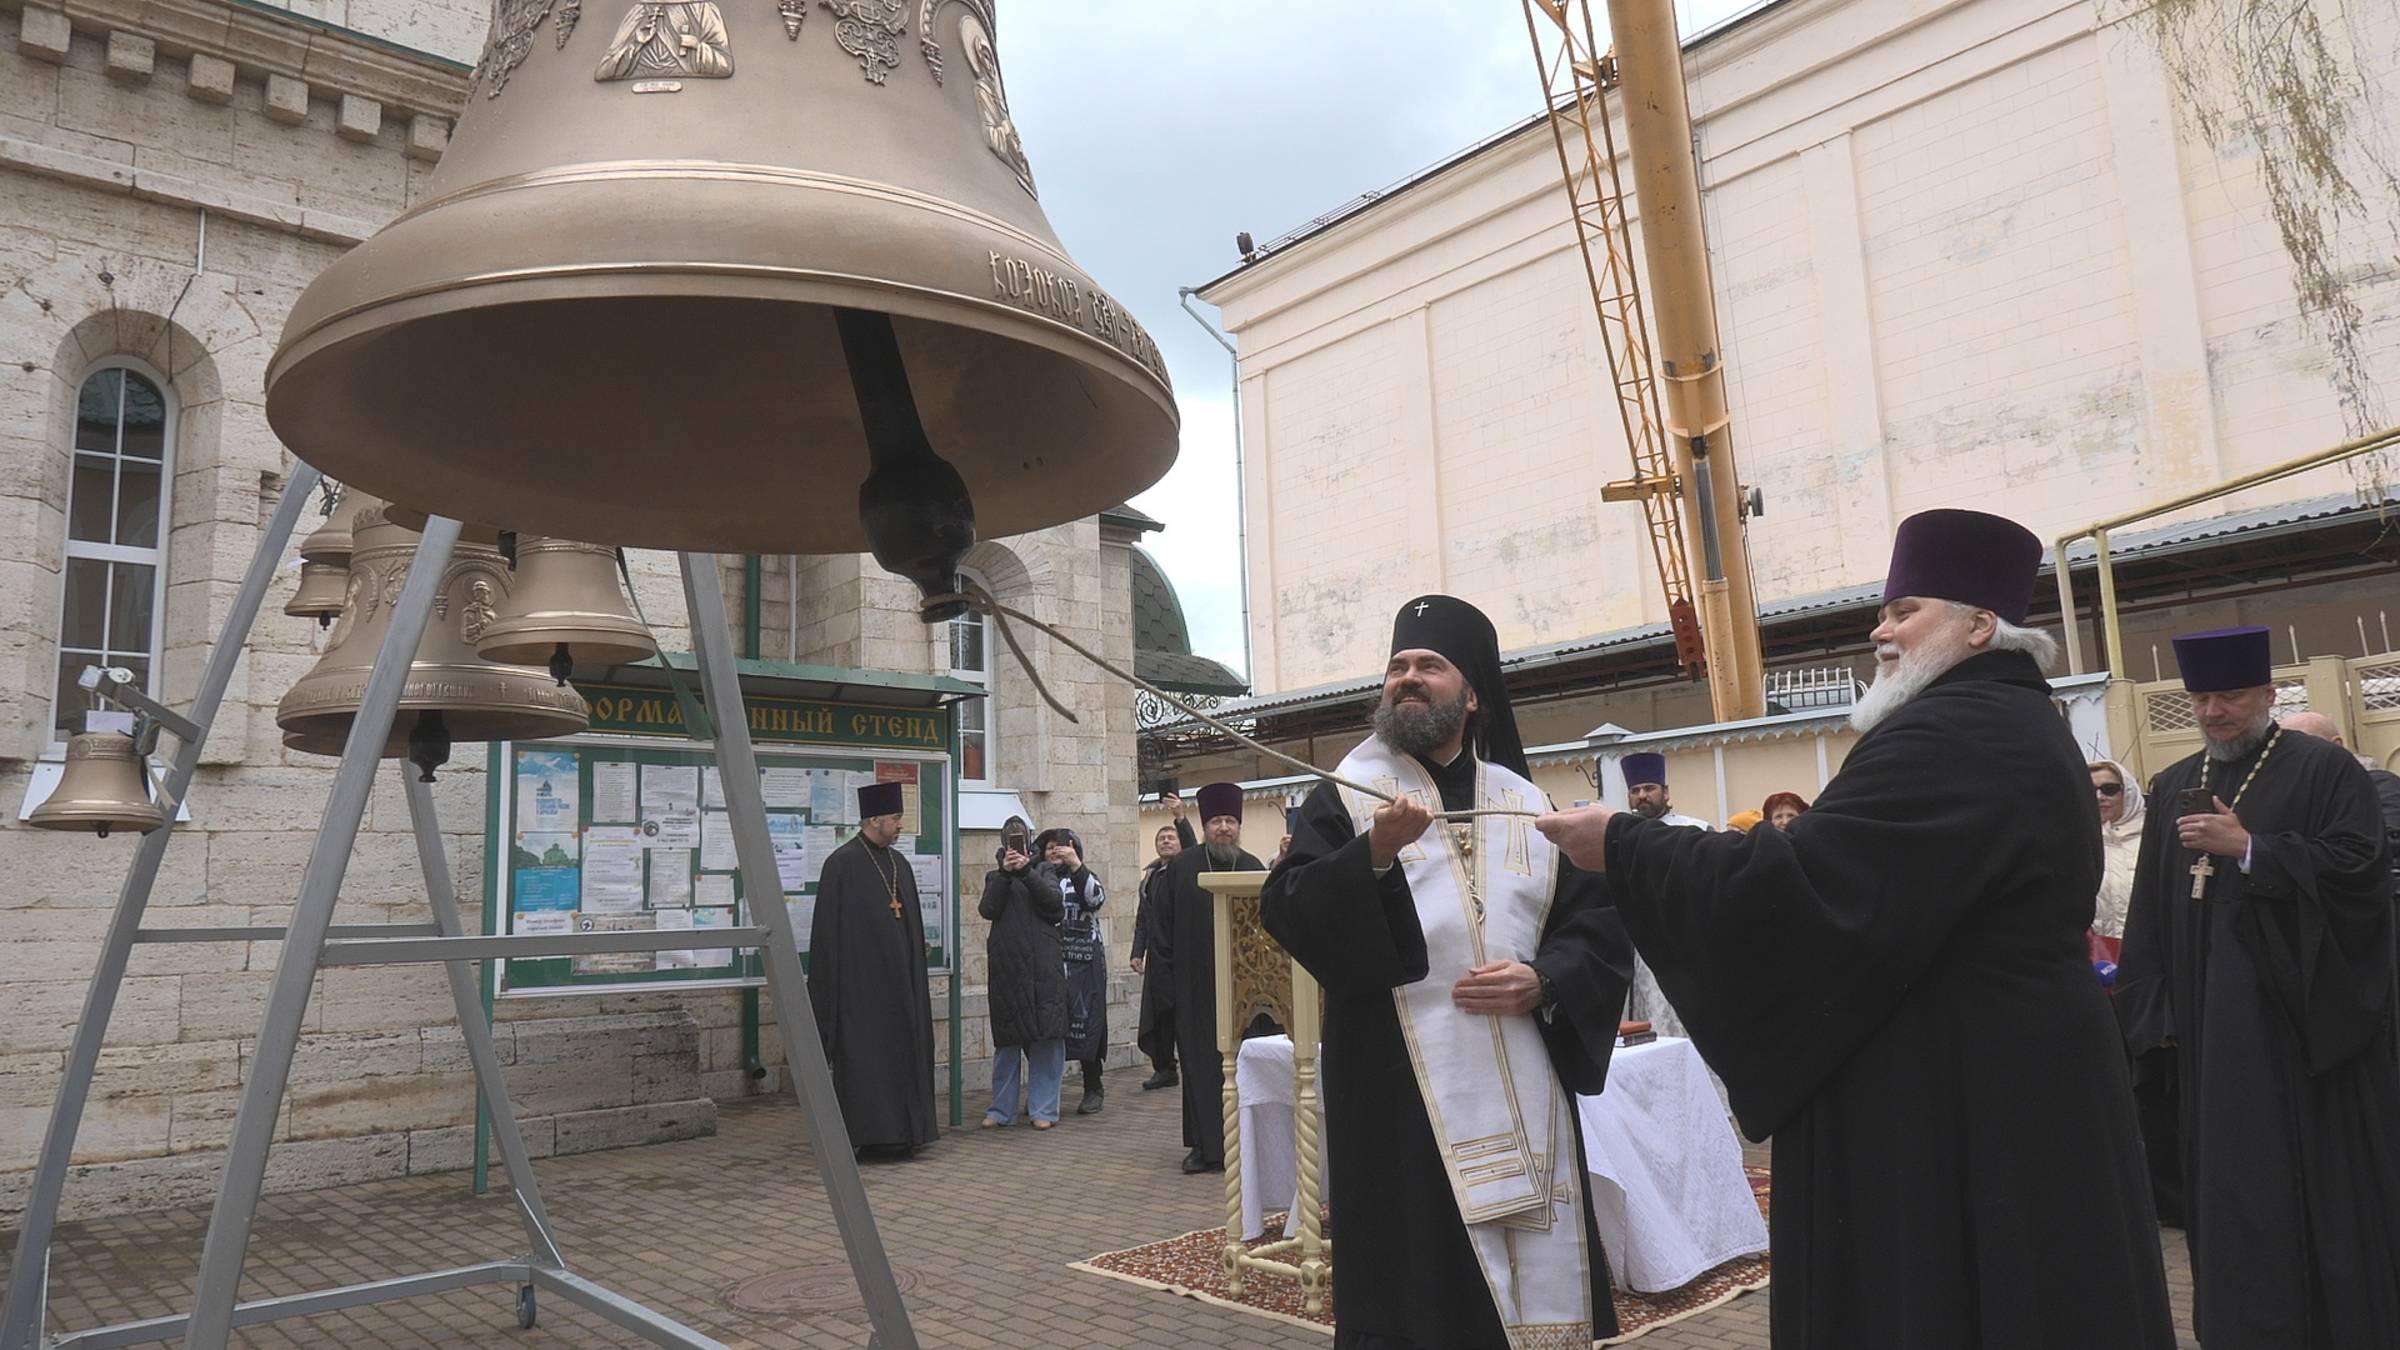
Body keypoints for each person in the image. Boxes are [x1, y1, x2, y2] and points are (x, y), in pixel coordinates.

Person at [1539, 508, 2175, 1349]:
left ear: (1981, 625)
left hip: (1964, 1092)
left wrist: (1623, 844)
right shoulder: (2009, 722)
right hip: (2003, 1071)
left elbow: (1806, 890)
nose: (1880, 631)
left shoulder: (1958, 730)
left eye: (1905, 610)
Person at [1263, 595, 1634, 1350]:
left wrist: (1547, 981)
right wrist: (1369, 854)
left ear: (1472, 696)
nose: (1407, 678)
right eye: (1398, 666)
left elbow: (1594, 925)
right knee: (1419, 1291)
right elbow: (1288, 905)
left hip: (1526, 1082)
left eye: (1429, 666)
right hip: (1399, 1093)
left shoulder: (1523, 803)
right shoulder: (1347, 795)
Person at [2116, 628, 2400, 1347]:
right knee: (2231, 1183)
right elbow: (2150, 907)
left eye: (2231, 696)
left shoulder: (2325, 771)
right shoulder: (2175, 783)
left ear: (2270, 696)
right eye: (2202, 697)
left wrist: (2253, 850)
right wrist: (2156, 1009)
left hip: (2303, 1024)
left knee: (2312, 1180)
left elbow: (2361, 874)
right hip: (2211, 1029)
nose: (2214, 711)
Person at [805, 780, 937, 1157]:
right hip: (861, 993)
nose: (900, 825)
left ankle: (909, 1133)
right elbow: (828, 938)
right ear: (875, 818)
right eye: (895, 818)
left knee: (903, 1058)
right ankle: (872, 1138)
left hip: (902, 989)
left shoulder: (900, 864)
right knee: (868, 1064)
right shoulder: (841, 865)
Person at [1146, 781, 1263, 1173]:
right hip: (1193, 988)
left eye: (1231, 820)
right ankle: (1203, 1145)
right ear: (1205, 824)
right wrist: (1164, 984)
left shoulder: (1252, 869)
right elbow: (1160, 929)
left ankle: (1243, 1144)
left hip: (1243, 990)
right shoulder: (1180, 868)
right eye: (1217, 821)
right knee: (1198, 1067)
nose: (1224, 828)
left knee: (1243, 1068)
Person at [979, 819, 1067, 1131]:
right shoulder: (995, 876)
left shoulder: (1044, 871)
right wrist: (1006, 873)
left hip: (1043, 968)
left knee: (1046, 1040)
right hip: (1008, 970)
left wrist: (1027, 871)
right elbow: (988, 909)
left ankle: (1043, 1109)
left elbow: (1054, 905)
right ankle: (1002, 1110)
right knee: (1007, 1044)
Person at [1618, 752, 1704, 1038]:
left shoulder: (1696, 831)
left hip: (1689, 950)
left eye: (1649, 788)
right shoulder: (1619, 838)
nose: (1642, 795)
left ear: (1665, 792)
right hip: (1641, 957)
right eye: (1635, 790)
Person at [1036, 826, 1110, 1116]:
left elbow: (1095, 899)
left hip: (1084, 965)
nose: (1056, 850)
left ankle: (1093, 1086)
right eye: (1050, 846)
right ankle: (1044, 1094)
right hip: (1049, 964)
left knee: (1087, 1025)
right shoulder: (1037, 880)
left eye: (1062, 846)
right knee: (1046, 1027)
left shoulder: (1082, 877)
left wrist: (1076, 866)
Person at [2283, 711, 2400, 868]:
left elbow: (2387, 841)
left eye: (2303, 746)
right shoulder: (2293, 793)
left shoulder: (2379, 782)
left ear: (2336, 745)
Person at [1132, 812, 1193, 1090]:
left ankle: (1193, 1064)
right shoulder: (1151, 876)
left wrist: (1181, 818)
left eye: (1171, 837)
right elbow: (1143, 918)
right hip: (1158, 958)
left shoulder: (1187, 870)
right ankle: (1164, 1067)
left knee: (1184, 1012)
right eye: (1161, 838)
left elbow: (1194, 849)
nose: (1166, 841)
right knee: (1158, 1015)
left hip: (1184, 956)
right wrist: (1137, 952)